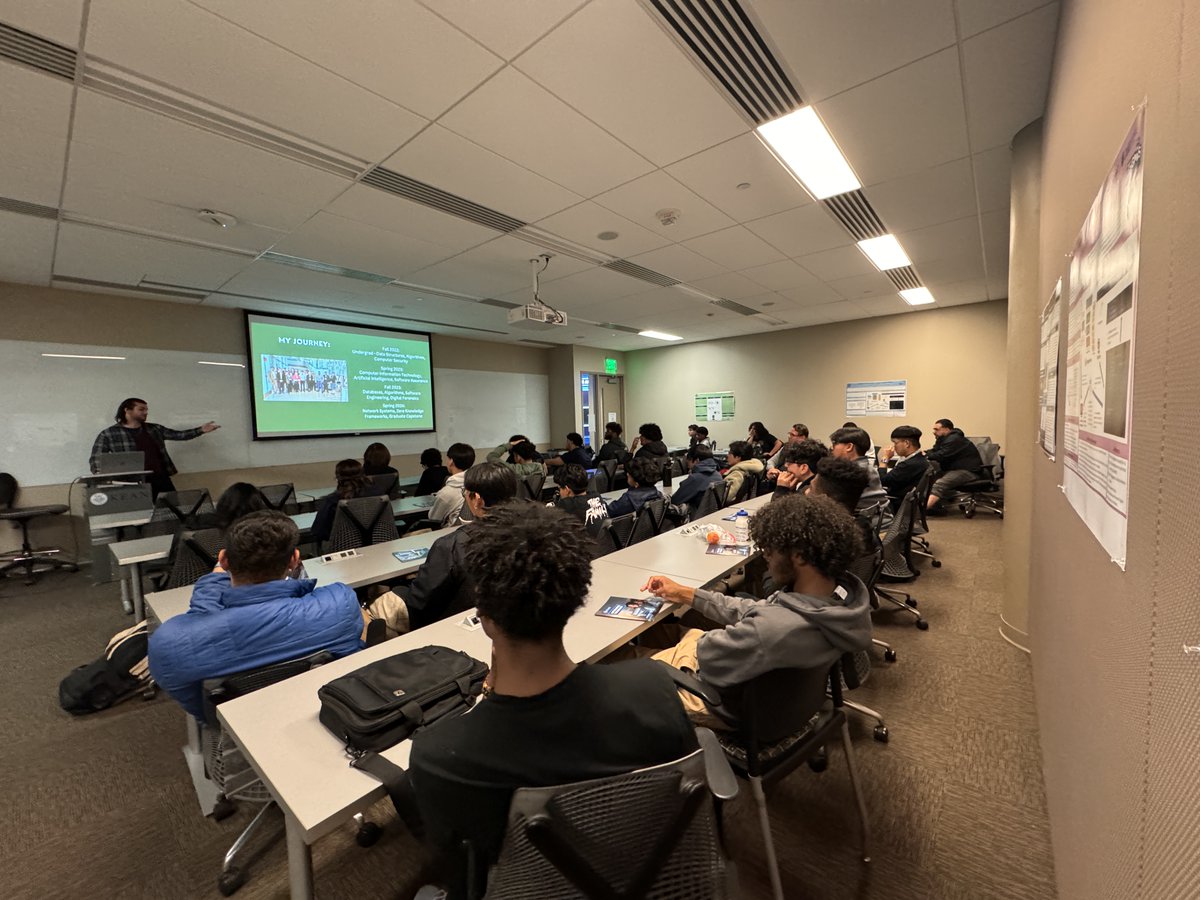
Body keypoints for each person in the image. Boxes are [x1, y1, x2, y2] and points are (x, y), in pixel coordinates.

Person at [408, 503, 697, 898]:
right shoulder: (655, 687)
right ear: (576, 600)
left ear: (484, 616)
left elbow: (459, 875)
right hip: (651, 877)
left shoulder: (440, 755)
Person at [639, 493, 872, 727]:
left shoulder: (770, 629)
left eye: (770, 550)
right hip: (779, 702)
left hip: (721, 703)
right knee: (660, 633)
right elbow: (758, 609)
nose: (766, 558)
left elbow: (709, 660)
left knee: (620, 668)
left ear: (799, 557)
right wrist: (687, 593)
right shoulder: (842, 598)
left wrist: (689, 646)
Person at [147, 511, 363, 720]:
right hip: (323, 712)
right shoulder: (341, 601)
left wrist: (212, 582)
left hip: (234, 732)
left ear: (224, 560)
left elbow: (198, 709)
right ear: (294, 559)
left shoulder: (169, 643)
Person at [400, 462, 519, 631]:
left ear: (477, 500)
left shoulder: (451, 545)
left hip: (451, 631)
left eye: (465, 493)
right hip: (513, 624)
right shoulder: (535, 534)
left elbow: (419, 602)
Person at [89, 397, 220, 497]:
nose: (145, 412)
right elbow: (97, 458)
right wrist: (101, 476)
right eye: (141, 409)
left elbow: (179, 435)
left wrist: (201, 430)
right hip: (132, 482)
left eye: (146, 410)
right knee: (138, 516)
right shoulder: (109, 433)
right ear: (127, 410)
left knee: (172, 509)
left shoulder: (154, 429)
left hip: (160, 477)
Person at [311, 459, 386, 544]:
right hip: (378, 544)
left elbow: (318, 531)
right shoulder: (380, 495)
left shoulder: (332, 501)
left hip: (344, 548)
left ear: (338, 479)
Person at [829, 426, 891, 526]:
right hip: (880, 520)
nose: (832, 448)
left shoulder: (850, 473)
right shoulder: (868, 467)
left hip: (867, 525)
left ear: (849, 447)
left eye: (835, 444)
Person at [924, 419, 984, 513]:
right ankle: (935, 507)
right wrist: (926, 452)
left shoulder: (954, 439)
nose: (934, 432)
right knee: (927, 478)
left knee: (940, 483)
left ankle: (921, 512)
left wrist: (926, 455)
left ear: (947, 429)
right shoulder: (943, 439)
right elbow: (935, 450)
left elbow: (942, 455)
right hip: (954, 469)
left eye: (936, 429)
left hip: (968, 471)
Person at [877, 425, 931, 512]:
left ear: (906, 443)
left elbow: (882, 481)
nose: (894, 447)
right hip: (907, 501)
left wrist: (884, 459)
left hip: (897, 503)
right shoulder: (919, 458)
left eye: (895, 443)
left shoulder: (910, 464)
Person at [547, 463, 609, 535]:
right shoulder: (597, 496)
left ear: (567, 490)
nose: (559, 492)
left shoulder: (567, 504)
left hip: (587, 545)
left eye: (559, 488)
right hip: (606, 544)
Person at [428, 443, 476, 527]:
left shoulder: (447, 493)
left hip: (450, 534)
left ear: (451, 461)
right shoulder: (478, 484)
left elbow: (433, 518)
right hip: (474, 531)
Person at [606, 454, 667, 518]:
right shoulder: (657, 494)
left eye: (629, 474)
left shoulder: (628, 499)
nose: (627, 474)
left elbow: (608, 512)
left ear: (636, 483)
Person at [668, 445, 723, 515]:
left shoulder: (695, 478)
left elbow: (675, 500)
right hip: (712, 515)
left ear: (696, 461)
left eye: (688, 462)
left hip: (695, 517)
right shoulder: (717, 474)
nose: (688, 466)